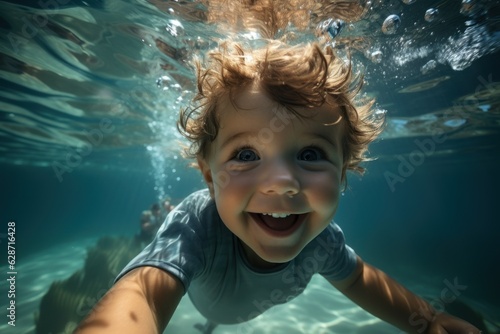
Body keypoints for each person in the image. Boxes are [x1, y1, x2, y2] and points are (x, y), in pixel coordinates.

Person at [76, 40, 480, 334]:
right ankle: (149, 227)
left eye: (309, 154)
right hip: (199, 279)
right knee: (160, 236)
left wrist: (428, 322)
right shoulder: (196, 224)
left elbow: (358, 279)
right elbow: (144, 295)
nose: (282, 182)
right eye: (246, 155)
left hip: (222, 304)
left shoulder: (323, 242)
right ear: (208, 176)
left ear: (343, 175)